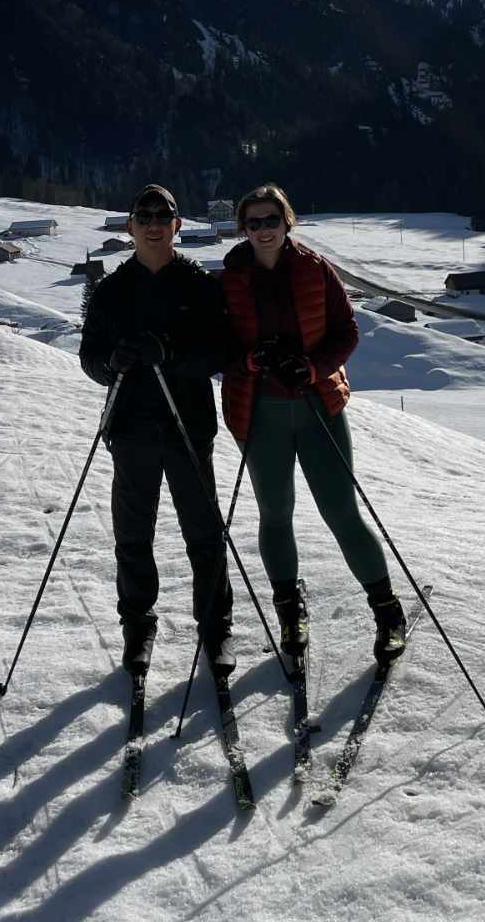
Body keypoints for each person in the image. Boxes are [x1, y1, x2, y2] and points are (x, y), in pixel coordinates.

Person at [219, 184, 408, 665]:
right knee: (275, 513)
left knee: (341, 511)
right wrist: (250, 361)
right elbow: (218, 345)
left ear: (287, 221)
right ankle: (289, 610)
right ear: (244, 228)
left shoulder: (315, 268)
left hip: (317, 405)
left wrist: (312, 368)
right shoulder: (230, 278)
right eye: (254, 222)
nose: (263, 230)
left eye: (271, 220)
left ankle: (387, 611)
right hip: (260, 411)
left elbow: (347, 331)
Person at [79, 184, 236, 677]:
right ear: (130, 227)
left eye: (162, 216)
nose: (152, 224)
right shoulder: (111, 291)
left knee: (204, 533)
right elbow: (89, 357)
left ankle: (215, 627)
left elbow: (219, 353)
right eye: (143, 216)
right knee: (133, 535)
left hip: (188, 427)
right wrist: (112, 362)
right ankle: (137, 627)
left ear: (176, 225)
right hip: (130, 429)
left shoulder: (200, 286)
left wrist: (170, 354)